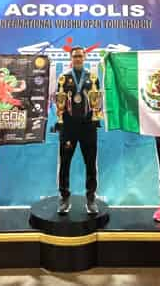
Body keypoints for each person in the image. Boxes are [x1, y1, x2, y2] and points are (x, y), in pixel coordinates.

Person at [56, 46, 101, 215]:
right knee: (65, 163)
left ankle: (90, 198)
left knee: (90, 163)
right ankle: (64, 197)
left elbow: (97, 100)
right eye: (75, 56)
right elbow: (59, 101)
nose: (77, 59)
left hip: (88, 126)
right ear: (71, 58)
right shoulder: (64, 78)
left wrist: (97, 113)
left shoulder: (92, 77)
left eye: (80, 56)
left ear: (85, 57)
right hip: (68, 127)